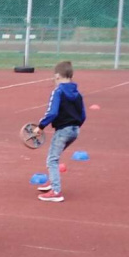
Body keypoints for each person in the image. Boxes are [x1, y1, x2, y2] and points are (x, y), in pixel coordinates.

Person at [34, 61, 85, 203]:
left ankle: (56, 191)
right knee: (54, 156)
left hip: (63, 131)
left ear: (57, 76)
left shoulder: (58, 92)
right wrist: (75, 126)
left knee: (52, 159)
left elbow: (52, 112)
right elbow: (83, 115)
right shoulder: (78, 94)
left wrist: (40, 126)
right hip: (75, 130)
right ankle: (53, 181)